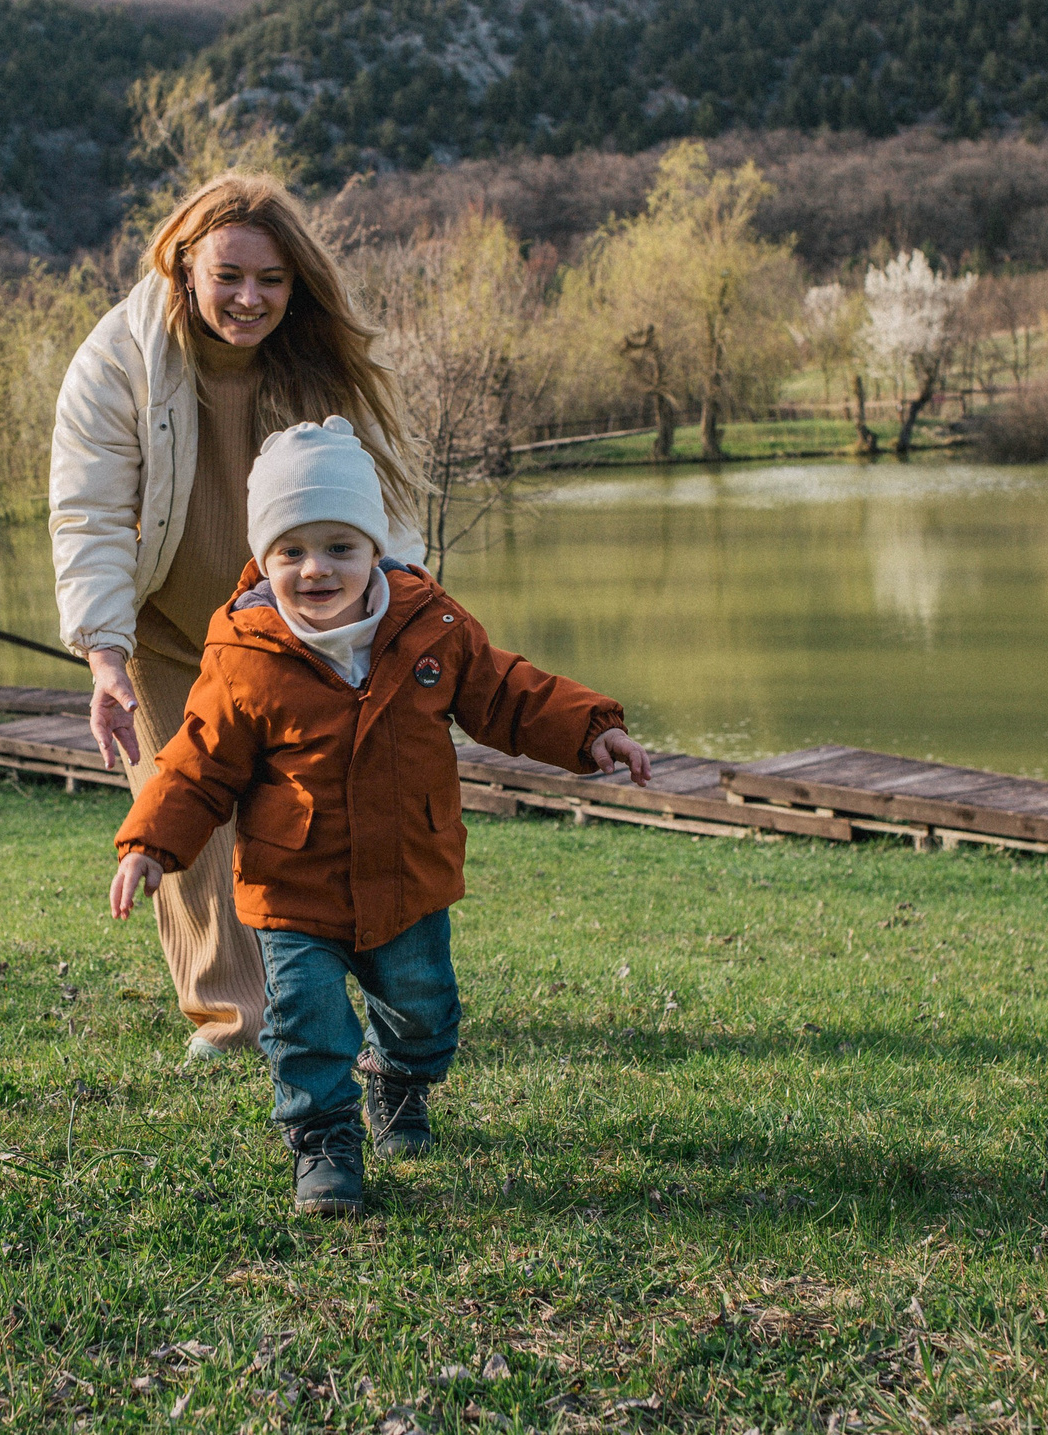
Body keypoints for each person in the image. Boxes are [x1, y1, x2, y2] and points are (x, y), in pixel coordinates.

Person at [107, 418, 652, 1217]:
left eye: (338, 546)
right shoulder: (246, 652)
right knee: (305, 1022)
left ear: (373, 548)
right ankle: (323, 1141)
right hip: (292, 886)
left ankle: (398, 1080)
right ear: (264, 559)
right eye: (291, 550)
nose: (315, 568)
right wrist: (151, 843)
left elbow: (505, 692)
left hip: (408, 871)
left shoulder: (428, 625)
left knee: (425, 1010)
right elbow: (198, 762)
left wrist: (589, 727)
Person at [50, 172, 425, 1062]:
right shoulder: (117, 359)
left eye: (272, 280)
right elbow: (90, 513)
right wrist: (104, 654)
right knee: (182, 806)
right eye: (229, 276)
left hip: (286, 628)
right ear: (184, 266)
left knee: (301, 813)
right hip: (164, 630)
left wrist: (398, 619)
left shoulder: (319, 365)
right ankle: (232, 1015)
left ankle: (333, 992)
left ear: (296, 285)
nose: (249, 298)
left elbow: (380, 507)